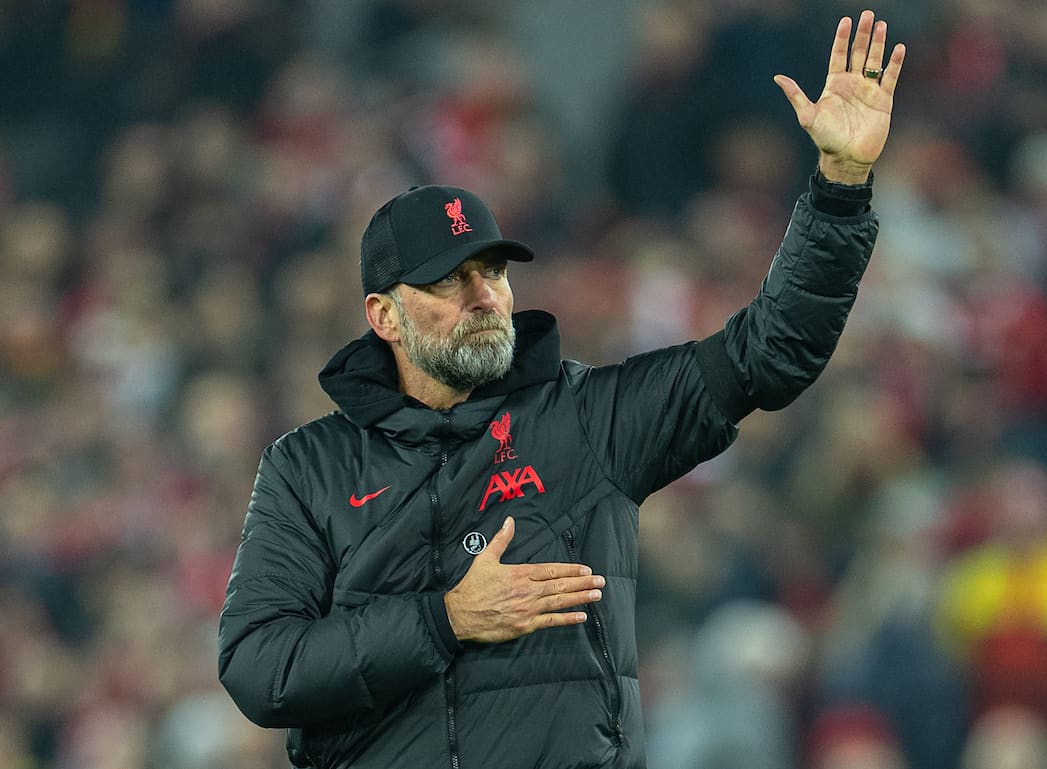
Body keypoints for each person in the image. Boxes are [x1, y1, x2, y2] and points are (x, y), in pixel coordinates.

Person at [217, 10, 906, 769]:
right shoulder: (307, 467)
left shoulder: (587, 419)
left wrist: (839, 186)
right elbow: (259, 667)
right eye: (450, 280)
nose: (484, 296)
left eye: (494, 272)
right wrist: (444, 619)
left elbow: (768, 352)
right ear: (383, 314)